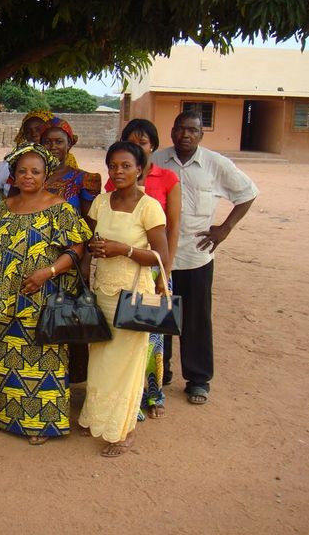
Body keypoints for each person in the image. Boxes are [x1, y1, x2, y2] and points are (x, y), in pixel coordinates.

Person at [0, 143, 91, 445]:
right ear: (13, 174)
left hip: (43, 298)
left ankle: (41, 424)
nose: (28, 176)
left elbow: (77, 248)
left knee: (42, 360)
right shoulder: (4, 207)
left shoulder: (60, 208)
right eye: (22, 171)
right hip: (3, 297)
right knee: (4, 359)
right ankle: (2, 415)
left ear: (45, 175)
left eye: (35, 171)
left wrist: (47, 273)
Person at [151, 111, 258, 406]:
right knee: (162, 315)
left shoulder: (216, 164)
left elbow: (247, 193)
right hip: (161, 257)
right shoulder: (157, 161)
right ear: (172, 132)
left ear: (200, 134)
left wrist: (224, 229)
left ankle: (198, 379)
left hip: (196, 256)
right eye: (180, 129)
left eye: (192, 130)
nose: (185, 135)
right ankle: (163, 372)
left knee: (197, 319)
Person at [78, 141, 169, 457]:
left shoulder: (149, 207)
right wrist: (93, 256)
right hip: (102, 291)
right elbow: (89, 240)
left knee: (127, 365)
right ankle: (98, 417)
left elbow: (161, 256)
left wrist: (124, 250)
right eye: (113, 165)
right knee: (101, 356)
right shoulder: (101, 203)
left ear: (139, 169)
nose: (118, 171)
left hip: (134, 296)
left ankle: (124, 430)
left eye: (126, 165)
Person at [106, 119, 181, 419]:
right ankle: (127, 398)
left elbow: (173, 228)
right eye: (132, 141)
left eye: (144, 142)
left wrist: (166, 271)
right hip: (121, 269)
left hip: (154, 268)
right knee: (124, 335)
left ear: (152, 146)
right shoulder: (116, 178)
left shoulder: (168, 178)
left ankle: (152, 395)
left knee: (151, 336)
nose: (138, 147)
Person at [41, 117, 101, 216]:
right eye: (47, 142)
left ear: (69, 144)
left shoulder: (83, 179)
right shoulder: (30, 177)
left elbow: (89, 222)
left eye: (59, 142)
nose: (53, 147)